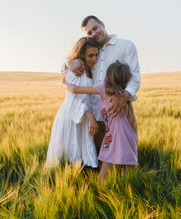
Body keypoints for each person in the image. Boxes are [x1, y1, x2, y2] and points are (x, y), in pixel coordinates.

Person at [66, 15, 140, 154]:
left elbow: (135, 76)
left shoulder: (126, 46)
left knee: (121, 153)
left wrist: (124, 97)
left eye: (95, 28)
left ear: (102, 24)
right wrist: (68, 63)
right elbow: (68, 65)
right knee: (98, 154)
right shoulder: (90, 50)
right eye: (89, 32)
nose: (94, 33)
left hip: (117, 110)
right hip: (93, 112)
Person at [62, 61, 138, 181]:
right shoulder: (124, 95)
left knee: (106, 165)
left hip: (114, 135)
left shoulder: (104, 88)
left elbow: (74, 89)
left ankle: (101, 191)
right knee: (126, 171)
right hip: (129, 135)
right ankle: (125, 193)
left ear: (109, 76)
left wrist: (64, 83)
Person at [45, 37, 100, 168]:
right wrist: (89, 115)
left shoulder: (90, 69)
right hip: (71, 118)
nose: (94, 59)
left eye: (97, 54)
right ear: (81, 55)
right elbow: (72, 100)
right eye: (90, 55)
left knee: (79, 161)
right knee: (66, 160)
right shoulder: (76, 71)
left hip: (82, 117)